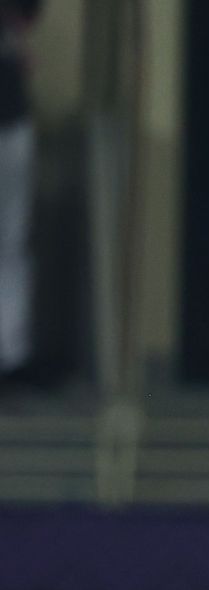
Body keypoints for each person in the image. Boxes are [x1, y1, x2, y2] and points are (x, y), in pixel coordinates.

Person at [0, 0, 40, 387]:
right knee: (11, 243)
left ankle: (12, 355)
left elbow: (27, 13)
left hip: (10, 120)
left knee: (12, 241)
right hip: (11, 119)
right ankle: (11, 354)